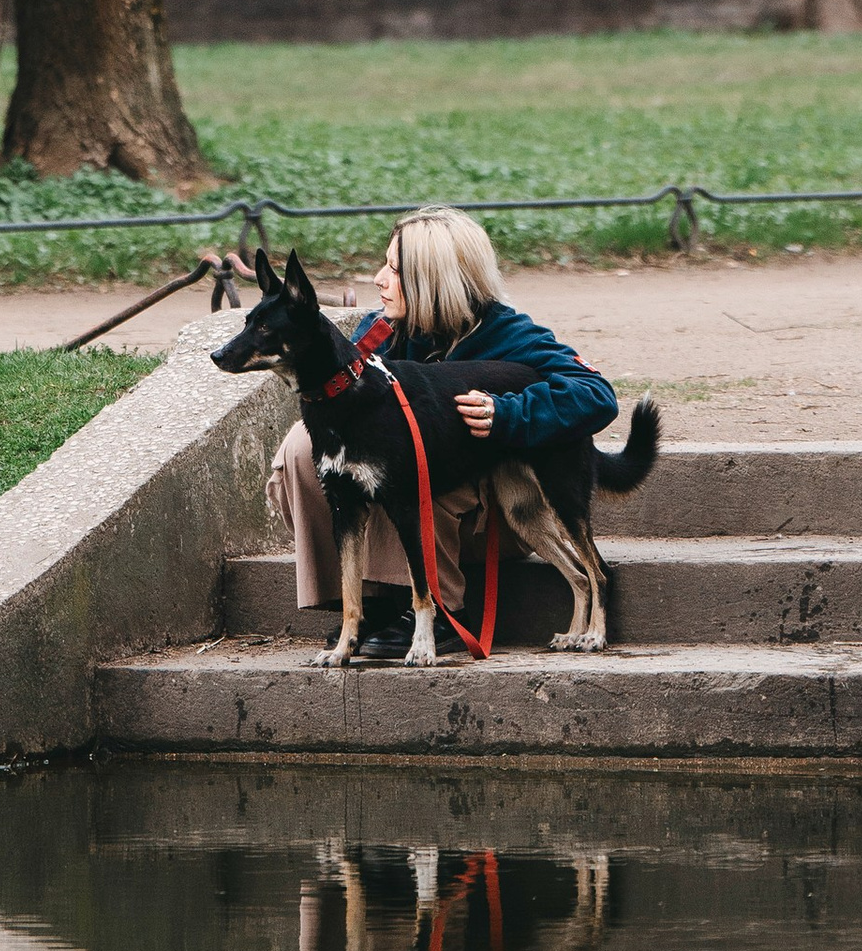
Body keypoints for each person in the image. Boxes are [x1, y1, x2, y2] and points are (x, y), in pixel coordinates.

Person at [265, 206, 621, 661]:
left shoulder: (509, 333)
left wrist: (507, 414)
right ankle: (367, 601)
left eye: (394, 270)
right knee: (303, 446)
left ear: (432, 280)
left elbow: (595, 393)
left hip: (493, 508)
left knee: (412, 451)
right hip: (408, 507)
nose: (378, 278)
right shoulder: (379, 333)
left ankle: (445, 610)